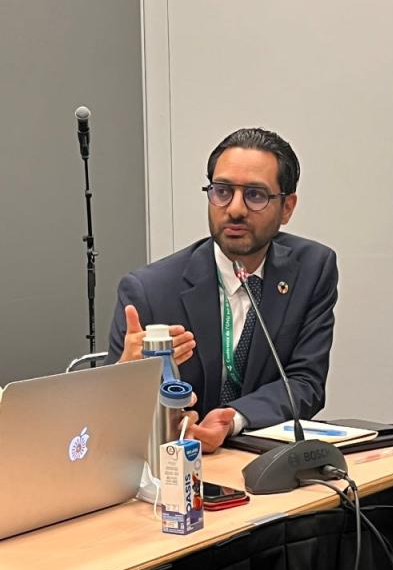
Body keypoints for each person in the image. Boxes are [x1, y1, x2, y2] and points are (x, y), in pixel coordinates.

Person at [106, 128, 338, 452]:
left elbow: (305, 382)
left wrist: (235, 418)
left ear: (287, 207)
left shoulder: (312, 269)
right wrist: (125, 377)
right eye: (222, 191)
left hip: (266, 460)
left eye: (255, 195)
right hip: (177, 470)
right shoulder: (149, 291)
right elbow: (109, 421)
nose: (235, 209)